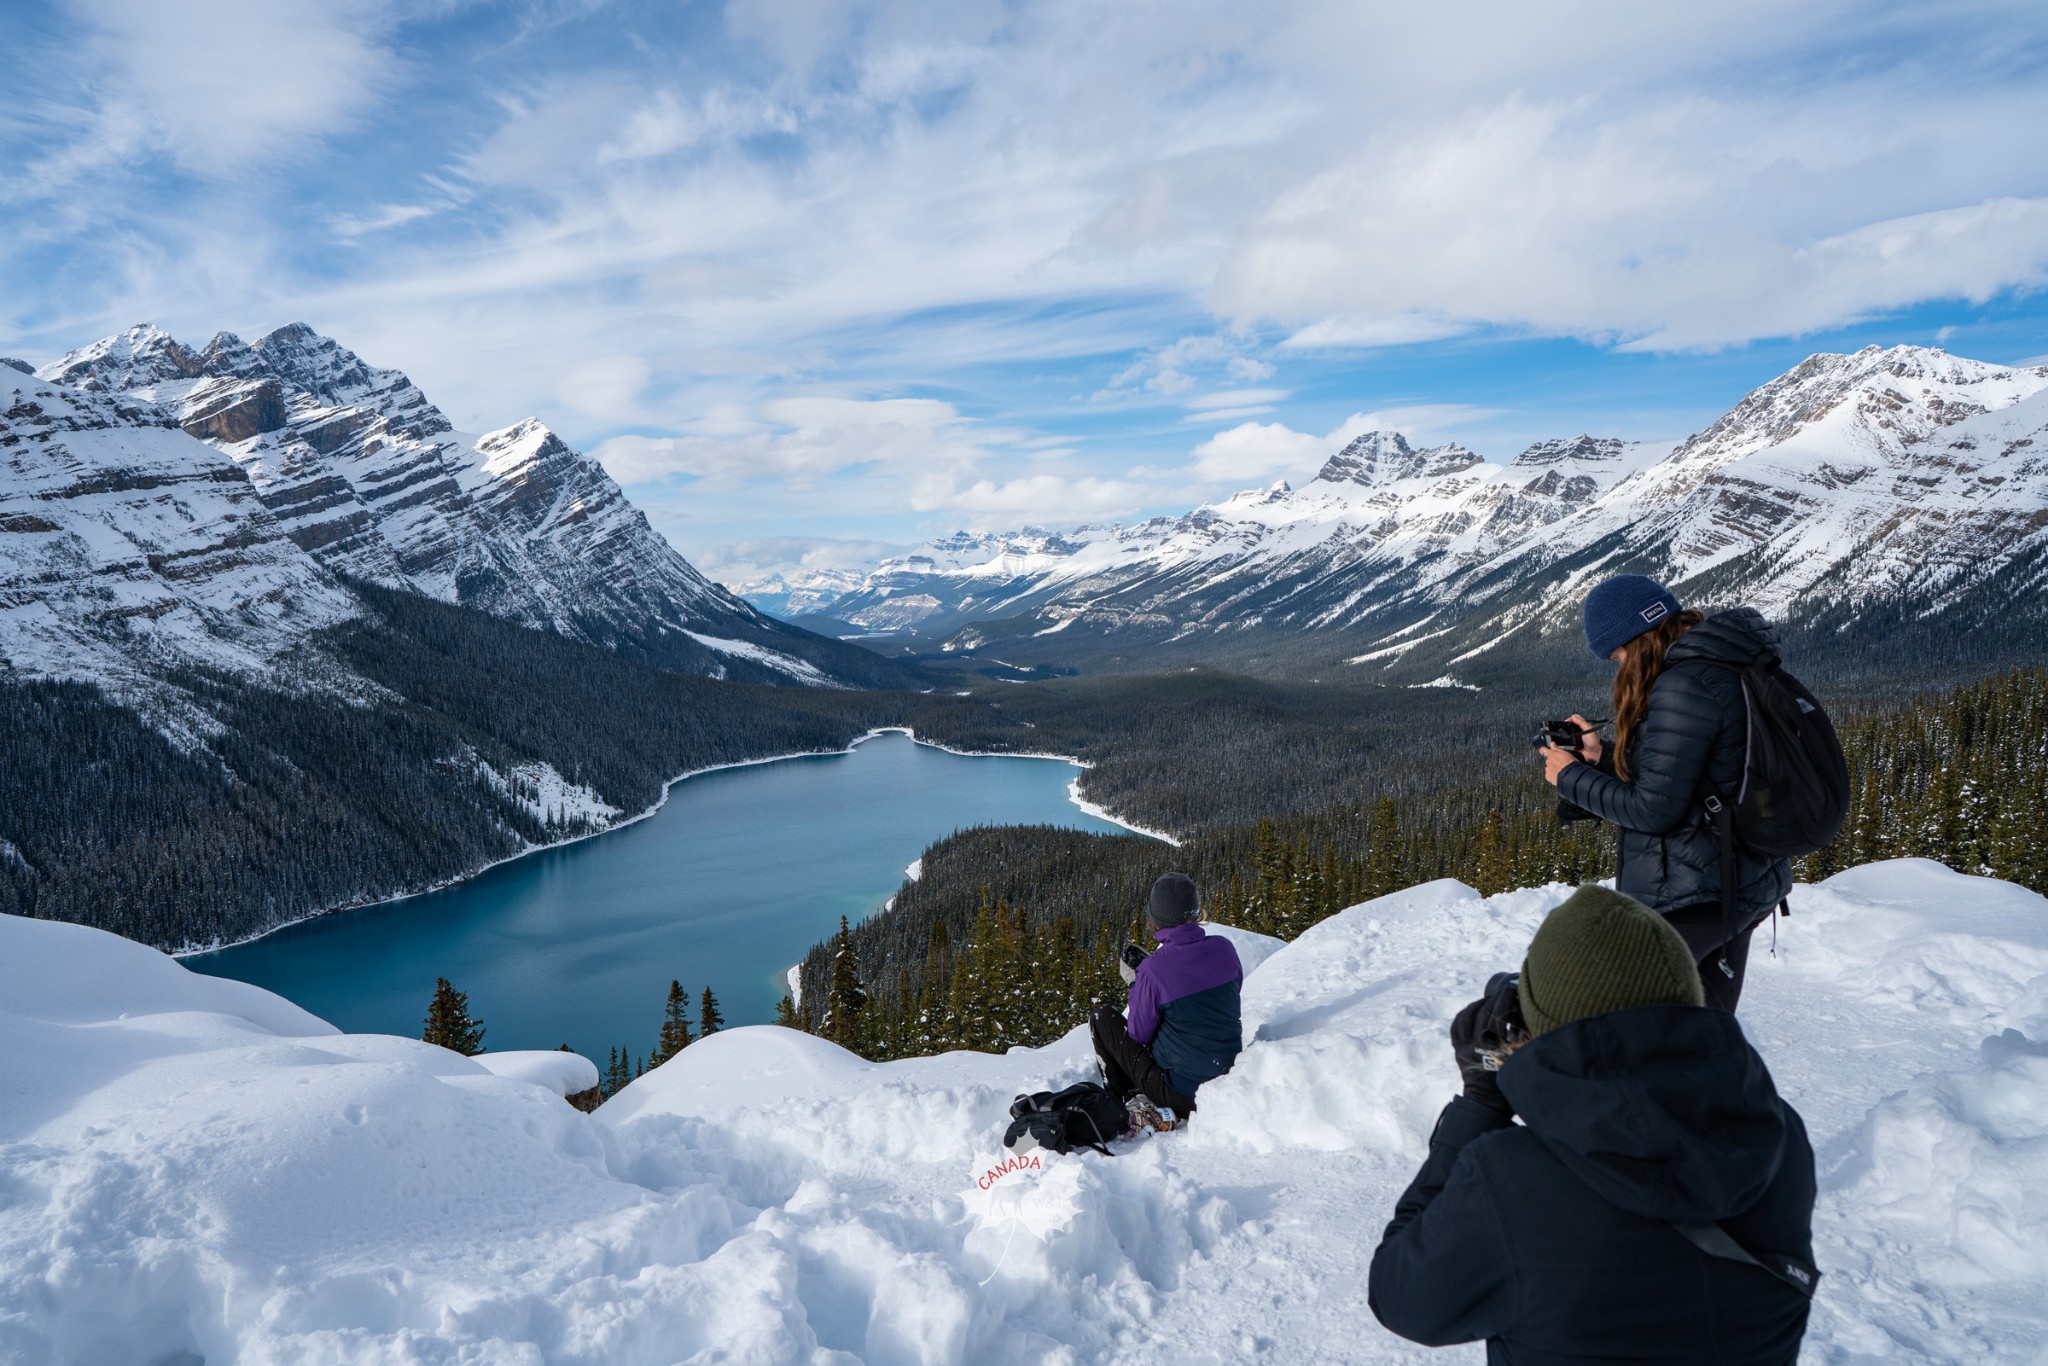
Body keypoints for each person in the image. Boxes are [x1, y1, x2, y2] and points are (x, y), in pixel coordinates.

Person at [1369, 885, 1818, 1365]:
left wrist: (1483, 1102)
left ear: (1548, 1028)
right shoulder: (1775, 1134)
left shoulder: (1509, 1181)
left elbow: (1400, 1296)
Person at [1540, 574, 1794, 1010]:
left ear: (1639, 637)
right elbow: (1694, 773)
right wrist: (1602, 757)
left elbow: (1653, 809)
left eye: (1618, 655)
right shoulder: (1719, 667)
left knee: (1626, 1017)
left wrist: (1570, 777)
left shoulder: (1683, 685)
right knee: (1702, 1025)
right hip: (1741, 882)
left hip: (1696, 894)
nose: (1620, 667)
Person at [1089, 872, 1243, 1122]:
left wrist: (1137, 985)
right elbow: (1231, 990)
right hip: (1226, 1083)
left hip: (1180, 1093)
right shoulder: (1225, 948)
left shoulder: (1153, 971)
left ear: (1155, 918)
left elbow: (1138, 1034)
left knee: (1101, 1017)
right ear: (1195, 912)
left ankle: (1122, 1098)